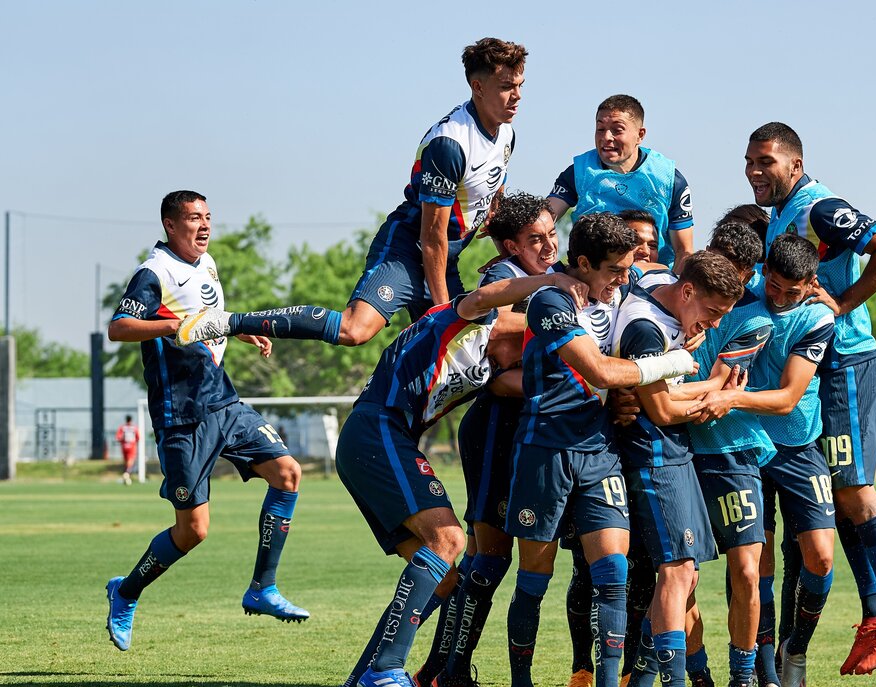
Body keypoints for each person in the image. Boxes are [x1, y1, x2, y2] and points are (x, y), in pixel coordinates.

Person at [330, 265, 592, 687]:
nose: (520, 361)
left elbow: (543, 385)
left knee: (445, 577)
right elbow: (490, 298)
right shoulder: (472, 320)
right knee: (449, 539)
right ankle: (387, 668)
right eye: (524, 351)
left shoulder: (491, 367)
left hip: (381, 440)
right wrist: (551, 282)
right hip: (376, 429)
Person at [176, 38, 528, 348]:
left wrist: (505, 250)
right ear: (477, 87)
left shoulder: (507, 134)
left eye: (520, 85)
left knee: (462, 352)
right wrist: (440, 310)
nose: (517, 96)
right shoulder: (450, 144)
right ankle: (230, 321)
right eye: (506, 87)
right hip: (408, 249)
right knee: (355, 330)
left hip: (443, 258)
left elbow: (492, 196)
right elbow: (432, 236)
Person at [501, 213, 696, 687]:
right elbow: (600, 370)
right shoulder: (550, 302)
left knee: (613, 573)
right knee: (534, 578)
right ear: (583, 263)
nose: (623, 279)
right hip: (545, 450)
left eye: (628, 269)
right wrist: (671, 363)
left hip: (600, 450)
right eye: (614, 270)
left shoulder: (619, 297)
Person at [744, 122, 876, 675]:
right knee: (839, 496)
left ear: (795, 165)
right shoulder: (781, 214)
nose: (754, 171)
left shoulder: (819, 208)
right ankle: (875, 615)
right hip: (822, 369)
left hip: (846, 362)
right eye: (749, 161)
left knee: (855, 489)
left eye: (766, 161)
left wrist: (843, 304)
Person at [104, 191, 308, 654]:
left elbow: (207, 316)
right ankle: (126, 592)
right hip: (181, 415)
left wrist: (238, 329)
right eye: (194, 218)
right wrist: (172, 326)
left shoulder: (207, 263)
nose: (204, 226)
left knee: (288, 473)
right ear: (170, 225)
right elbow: (119, 327)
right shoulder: (154, 273)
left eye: (208, 217)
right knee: (192, 531)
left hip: (222, 400)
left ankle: (263, 587)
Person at [410, 193, 562, 687]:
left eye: (551, 234)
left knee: (485, 556)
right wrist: (564, 323)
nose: (548, 245)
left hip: (524, 428)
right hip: (495, 425)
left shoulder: (550, 275)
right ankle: (447, 672)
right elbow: (492, 333)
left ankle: (436, 669)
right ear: (510, 246)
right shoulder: (501, 275)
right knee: (490, 556)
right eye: (535, 239)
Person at [688, 234, 838, 687]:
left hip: (795, 443)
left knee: (820, 558)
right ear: (763, 272)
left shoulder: (817, 317)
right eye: (773, 285)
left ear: (811, 284)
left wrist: (729, 398)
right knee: (757, 565)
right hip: (745, 446)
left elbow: (789, 398)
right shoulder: (742, 299)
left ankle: (796, 651)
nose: (779, 297)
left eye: (792, 291)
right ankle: (765, 675)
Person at [610, 252, 744, 687]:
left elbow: (665, 392)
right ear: (687, 292)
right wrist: (717, 398)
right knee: (676, 569)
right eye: (712, 312)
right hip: (655, 456)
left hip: (674, 452)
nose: (713, 324)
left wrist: (712, 386)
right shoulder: (646, 328)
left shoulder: (665, 295)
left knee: (686, 574)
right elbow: (662, 410)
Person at [547, 95, 695, 273]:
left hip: (650, 280)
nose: (606, 137)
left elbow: (684, 252)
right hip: (590, 278)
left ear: (640, 135)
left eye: (617, 130)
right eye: (600, 129)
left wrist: (670, 287)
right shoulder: (578, 173)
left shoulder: (669, 179)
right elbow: (543, 220)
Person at [115, 415, 139, 485]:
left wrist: (122, 440)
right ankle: (126, 474)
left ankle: (126, 476)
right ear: (131, 420)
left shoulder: (122, 428)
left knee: (126, 462)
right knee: (130, 461)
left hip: (124, 446)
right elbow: (138, 437)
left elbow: (118, 437)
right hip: (132, 446)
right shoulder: (134, 428)